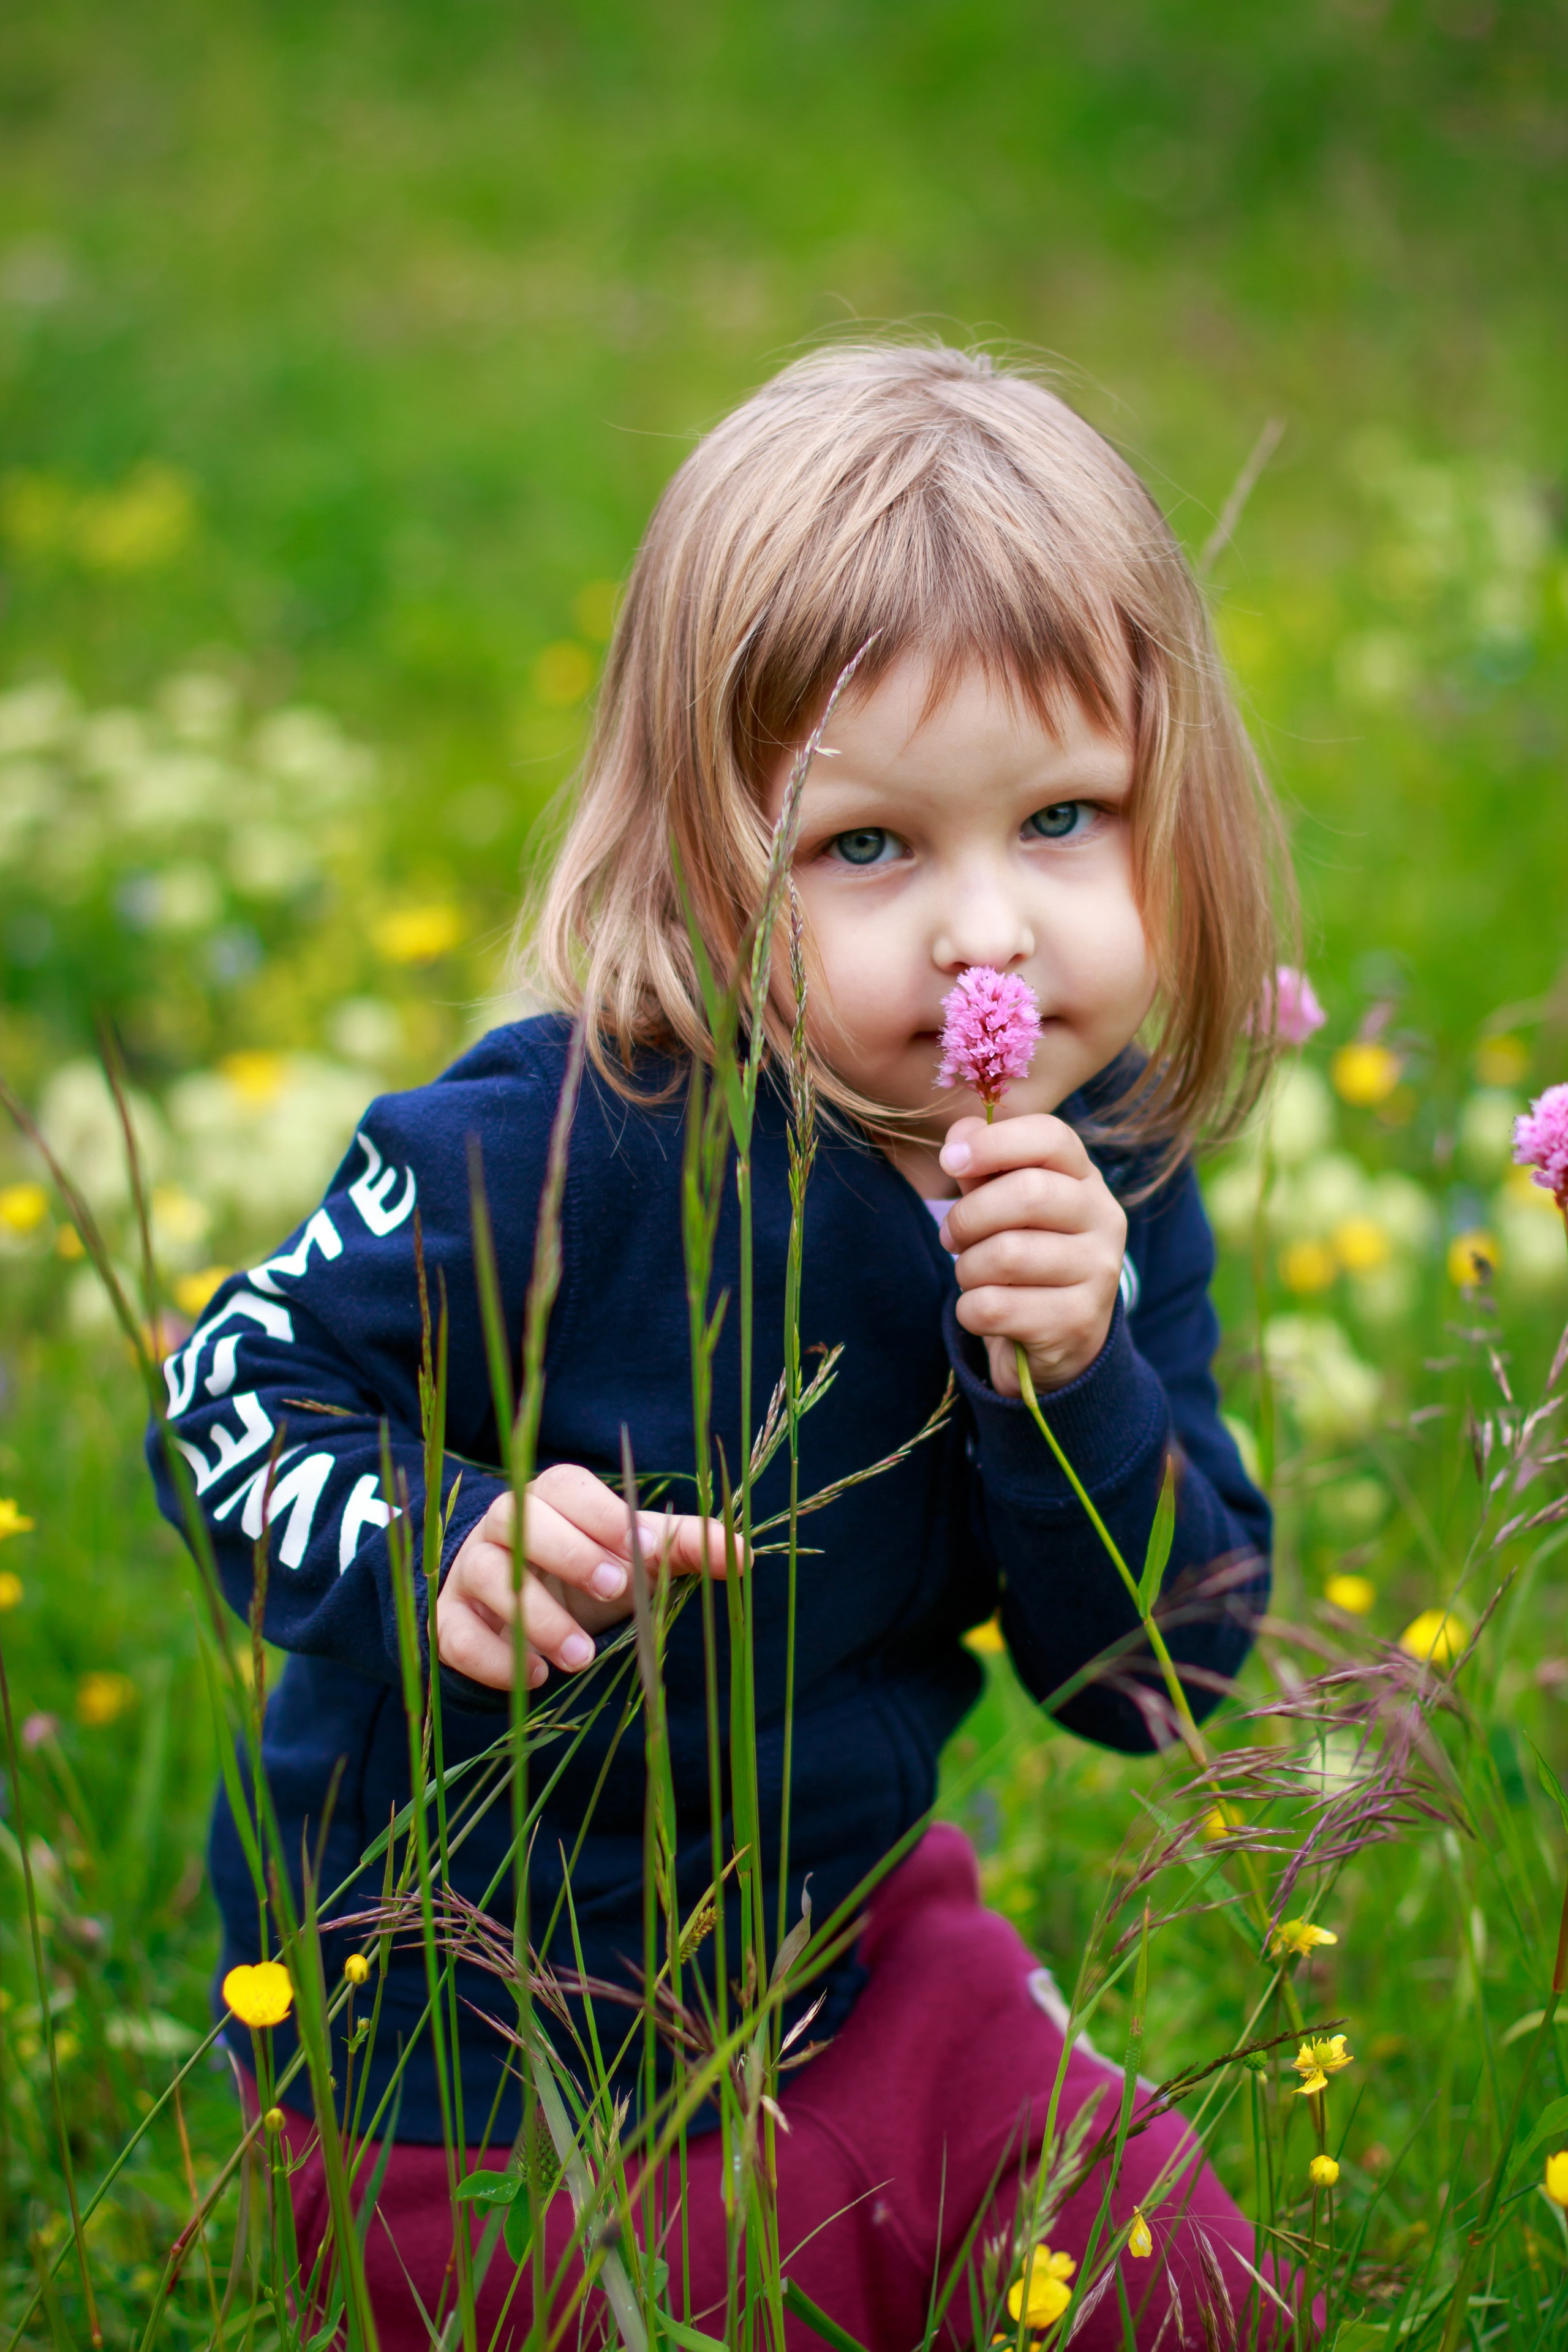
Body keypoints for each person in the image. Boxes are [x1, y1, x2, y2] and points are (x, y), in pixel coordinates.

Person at [150, 342, 1291, 2348]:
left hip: (842, 1956)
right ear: (698, 850)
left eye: (1064, 816)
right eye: (868, 847)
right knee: (676, 2306)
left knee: (1188, 2292)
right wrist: (438, 1542)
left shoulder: (1112, 1183)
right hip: (464, 2049)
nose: (987, 937)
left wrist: (1080, 1377)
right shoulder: (556, 1142)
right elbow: (229, 1384)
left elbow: (1155, 1679)